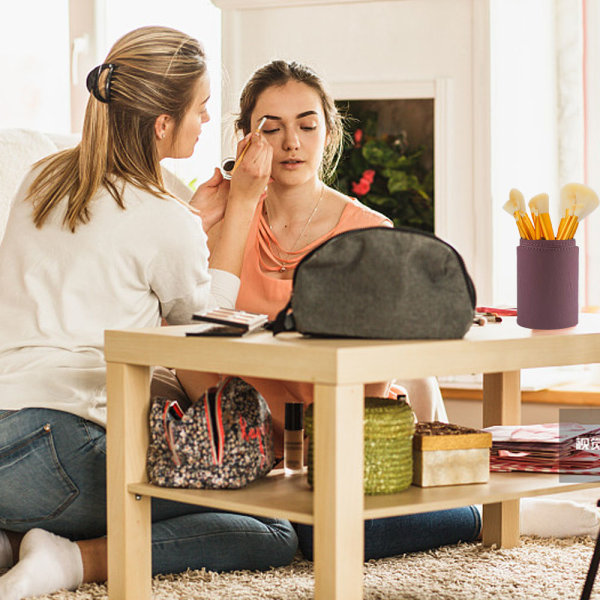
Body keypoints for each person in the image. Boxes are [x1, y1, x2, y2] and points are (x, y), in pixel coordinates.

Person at [0, 27, 298, 600]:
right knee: (271, 526)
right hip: (64, 447)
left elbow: (105, 256)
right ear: (163, 123)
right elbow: (206, 327)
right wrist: (241, 203)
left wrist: (189, 217)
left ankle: (14, 545)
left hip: (6, 431)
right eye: (201, 107)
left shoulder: (41, 177)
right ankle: (69, 561)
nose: (207, 120)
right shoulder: (163, 217)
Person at [176, 59, 481, 562]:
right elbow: (189, 337)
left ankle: (480, 513)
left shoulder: (369, 236)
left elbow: (375, 376)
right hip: (244, 449)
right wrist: (220, 212)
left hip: (346, 448)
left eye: (306, 125)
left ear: (330, 131)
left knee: (325, 535)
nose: (290, 142)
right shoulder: (218, 223)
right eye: (270, 129)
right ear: (244, 141)